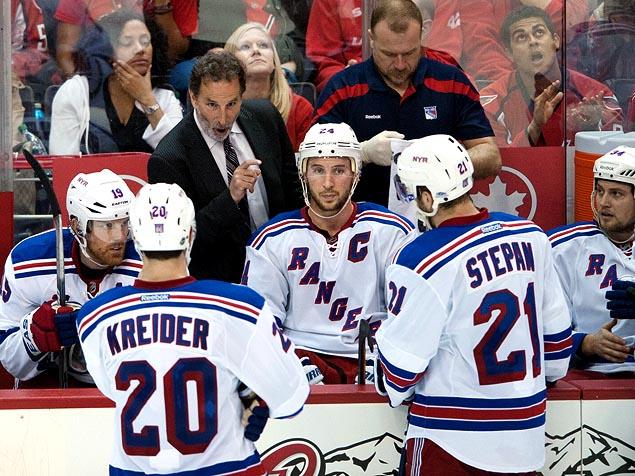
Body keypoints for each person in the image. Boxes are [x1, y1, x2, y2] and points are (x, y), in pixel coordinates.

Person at [76, 182, 308, 475]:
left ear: (135, 236)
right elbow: (291, 397)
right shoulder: (239, 307)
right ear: (190, 234)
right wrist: (249, 392)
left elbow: (115, 389)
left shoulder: (95, 316)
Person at [375, 133, 572, 474]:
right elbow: (557, 351)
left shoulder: (421, 258)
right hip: (524, 440)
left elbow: (399, 374)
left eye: (412, 192)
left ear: (428, 196)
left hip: (449, 442)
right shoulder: (532, 236)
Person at [242, 123, 415, 384]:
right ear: (303, 173)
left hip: (372, 354)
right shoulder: (271, 240)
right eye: (318, 170)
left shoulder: (393, 231)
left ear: (356, 173)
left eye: (339, 170)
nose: (327, 183)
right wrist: (285, 363)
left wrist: (389, 361)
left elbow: (409, 314)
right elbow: (260, 321)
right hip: (300, 355)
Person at [315, 0, 501, 208]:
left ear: (422, 36)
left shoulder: (451, 82)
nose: (400, 64)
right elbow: (313, 161)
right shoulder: (342, 87)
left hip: (438, 214)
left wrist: (443, 161)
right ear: (371, 39)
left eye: (410, 53)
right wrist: (362, 153)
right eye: (389, 54)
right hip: (364, 215)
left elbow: (490, 155)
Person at [148, 49, 302, 283]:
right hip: (223, 283)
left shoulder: (266, 117)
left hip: (286, 267)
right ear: (193, 97)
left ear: (242, 95)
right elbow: (183, 241)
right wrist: (230, 198)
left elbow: (294, 191)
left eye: (231, 104)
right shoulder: (168, 158)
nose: (222, 118)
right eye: (212, 105)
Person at [0, 169, 142, 388]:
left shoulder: (147, 261)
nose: (119, 237)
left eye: (124, 224)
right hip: (50, 387)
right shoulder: (26, 261)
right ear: (77, 226)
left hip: (123, 386)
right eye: (107, 226)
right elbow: (8, 356)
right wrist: (35, 335)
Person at [480, 6, 623, 147]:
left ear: (555, 41)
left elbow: (619, 152)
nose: (532, 41)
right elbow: (496, 160)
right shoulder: (491, 104)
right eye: (521, 37)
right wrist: (534, 127)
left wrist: (593, 128)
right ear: (509, 53)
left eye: (539, 32)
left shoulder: (597, 94)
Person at [548, 146, 635, 376]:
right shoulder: (562, 248)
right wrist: (585, 343)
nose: (604, 202)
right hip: (590, 373)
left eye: (616, 194)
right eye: (600, 191)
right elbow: (540, 328)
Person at [49, 9, 183, 155]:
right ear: (106, 51)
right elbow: (62, 160)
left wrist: (147, 100)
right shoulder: (76, 91)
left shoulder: (164, 96)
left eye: (145, 42)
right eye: (127, 42)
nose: (140, 49)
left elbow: (179, 156)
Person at [306, 0, 511, 92]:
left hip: (438, 90)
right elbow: (324, 63)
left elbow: (487, 54)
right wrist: (348, 79)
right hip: (361, 94)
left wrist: (507, 90)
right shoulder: (332, 2)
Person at [225, 22, 314, 152]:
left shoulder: (299, 108)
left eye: (263, 45)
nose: (256, 50)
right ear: (231, 62)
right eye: (245, 47)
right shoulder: (220, 111)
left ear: (274, 61)